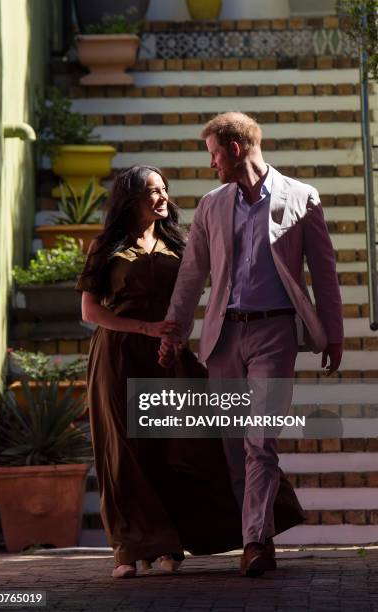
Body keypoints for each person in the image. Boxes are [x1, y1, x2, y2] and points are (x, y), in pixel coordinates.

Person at [76, 164, 305, 579]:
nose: (163, 196)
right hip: (119, 356)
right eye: (153, 191)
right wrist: (143, 327)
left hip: (169, 357)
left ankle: (198, 536)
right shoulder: (106, 246)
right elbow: (91, 311)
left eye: (165, 188)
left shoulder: (178, 244)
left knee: (188, 444)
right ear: (130, 199)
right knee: (125, 451)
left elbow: (204, 290)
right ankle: (130, 548)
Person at [159, 112, 344, 576]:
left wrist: (333, 332)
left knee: (260, 440)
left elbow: (324, 271)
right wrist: (174, 330)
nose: (211, 165)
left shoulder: (302, 198)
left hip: (275, 334)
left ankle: (256, 542)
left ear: (236, 149)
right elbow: (191, 276)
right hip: (223, 336)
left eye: (214, 154)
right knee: (233, 444)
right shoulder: (210, 205)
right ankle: (255, 534)